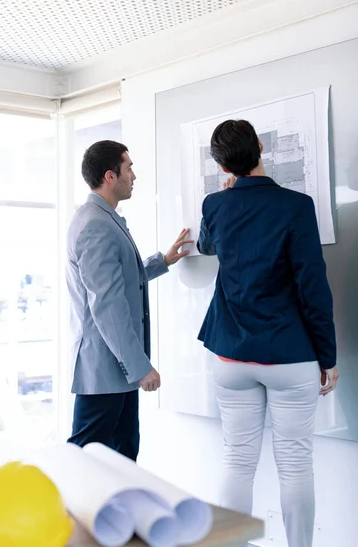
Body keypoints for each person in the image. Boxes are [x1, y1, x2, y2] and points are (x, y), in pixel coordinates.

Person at [197, 120, 338, 547]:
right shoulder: (296, 205)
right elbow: (312, 284)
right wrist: (327, 357)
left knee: (237, 461)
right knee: (295, 462)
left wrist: (222, 202)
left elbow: (206, 246)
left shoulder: (214, 205)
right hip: (288, 354)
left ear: (222, 164)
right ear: (260, 148)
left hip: (231, 356)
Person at [66, 139, 192, 461]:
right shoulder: (95, 224)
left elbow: (120, 280)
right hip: (105, 371)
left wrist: (162, 260)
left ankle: (114, 513)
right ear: (110, 176)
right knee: (85, 460)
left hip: (115, 372)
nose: (133, 176)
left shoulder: (103, 218)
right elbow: (107, 303)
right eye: (129, 167)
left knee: (122, 459)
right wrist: (140, 367)